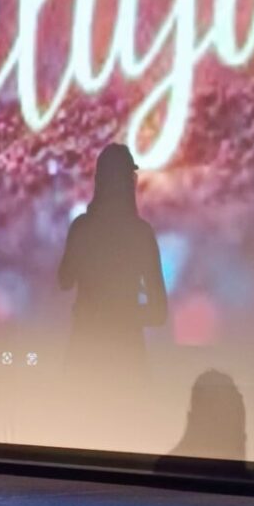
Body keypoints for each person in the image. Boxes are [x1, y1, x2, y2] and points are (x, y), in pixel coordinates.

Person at [58, 143, 167, 376]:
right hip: (128, 359)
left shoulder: (82, 227)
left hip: (84, 355)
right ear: (129, 183)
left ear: (99, 181)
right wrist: (123, 314)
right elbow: (159, 312)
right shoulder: (141, 234)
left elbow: (64, 281)